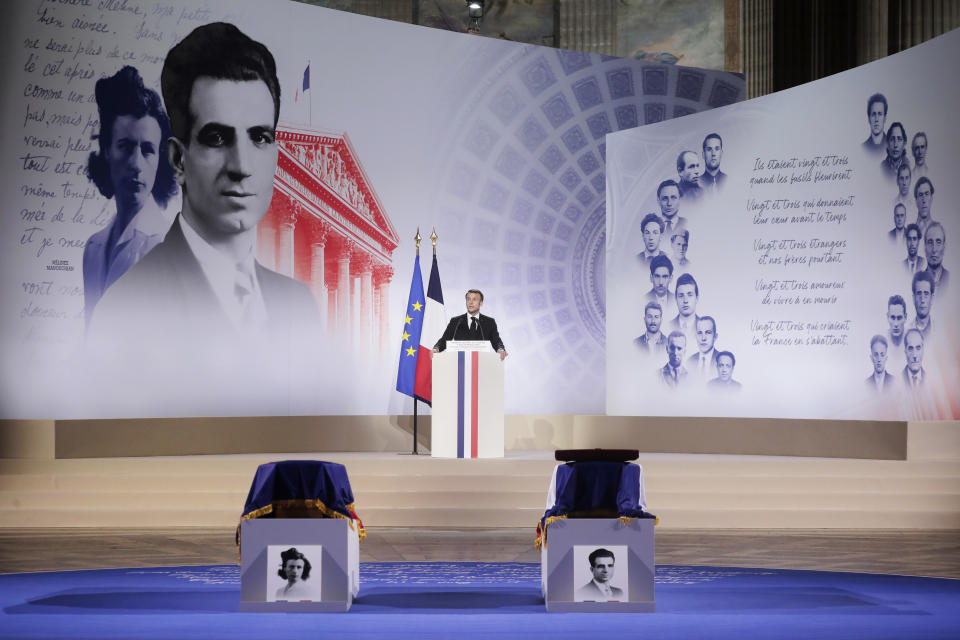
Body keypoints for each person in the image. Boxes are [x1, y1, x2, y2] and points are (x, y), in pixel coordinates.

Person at [89, 23, 321, 343]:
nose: (241, 166)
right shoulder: (123, 312)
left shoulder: (300, 306)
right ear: (177, 160)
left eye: (259, 137)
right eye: (216, 138)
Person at [82, 66, 178, 325]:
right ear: (107, 151)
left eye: (148, 150)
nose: (136, 164)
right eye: (125, 146)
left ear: (160, 161)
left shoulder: (167, 249)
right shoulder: (93, 248)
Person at [433, 289, 507, 360]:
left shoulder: (489, 322)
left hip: (481, 364)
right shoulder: (456, 321)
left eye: (474, 299)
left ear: (481, 303)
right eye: (468, 299)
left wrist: (500, 349)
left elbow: (496, 340)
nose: (470, 302)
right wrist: (436, 348)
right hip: (460, 364)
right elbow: (445, 340)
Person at [669, 272, 700, 349]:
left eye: (690, 295)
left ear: (697, 297)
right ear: (676, 298)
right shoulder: (668, 326)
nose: (685, 300)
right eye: (681, 295)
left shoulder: (705, 327)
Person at [686, 315, 719, 380]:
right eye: (700, 333)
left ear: (715, 337)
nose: (703, 338)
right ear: (695, 336)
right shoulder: (690, 361)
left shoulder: (722, 361)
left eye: (708, 333)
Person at [645, 254, 675, 318]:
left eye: (665, 277)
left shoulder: (676, 300)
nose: (661, 282)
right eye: (657, 276)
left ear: (671, 278)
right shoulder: (643, 300)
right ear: (651, 278)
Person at [923, 222, 948, 294]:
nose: (934, 249)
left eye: (938, 242)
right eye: (930, 242)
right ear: (925, 247)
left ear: (944, 247)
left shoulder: (953, 280)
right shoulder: (919, 281)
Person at [910, 271, 934, 340]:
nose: (922, 300)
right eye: (919, 293)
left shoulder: (940, 330)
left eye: (926, 294)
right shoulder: (906, 331)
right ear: (913, 298)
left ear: (932, 298)